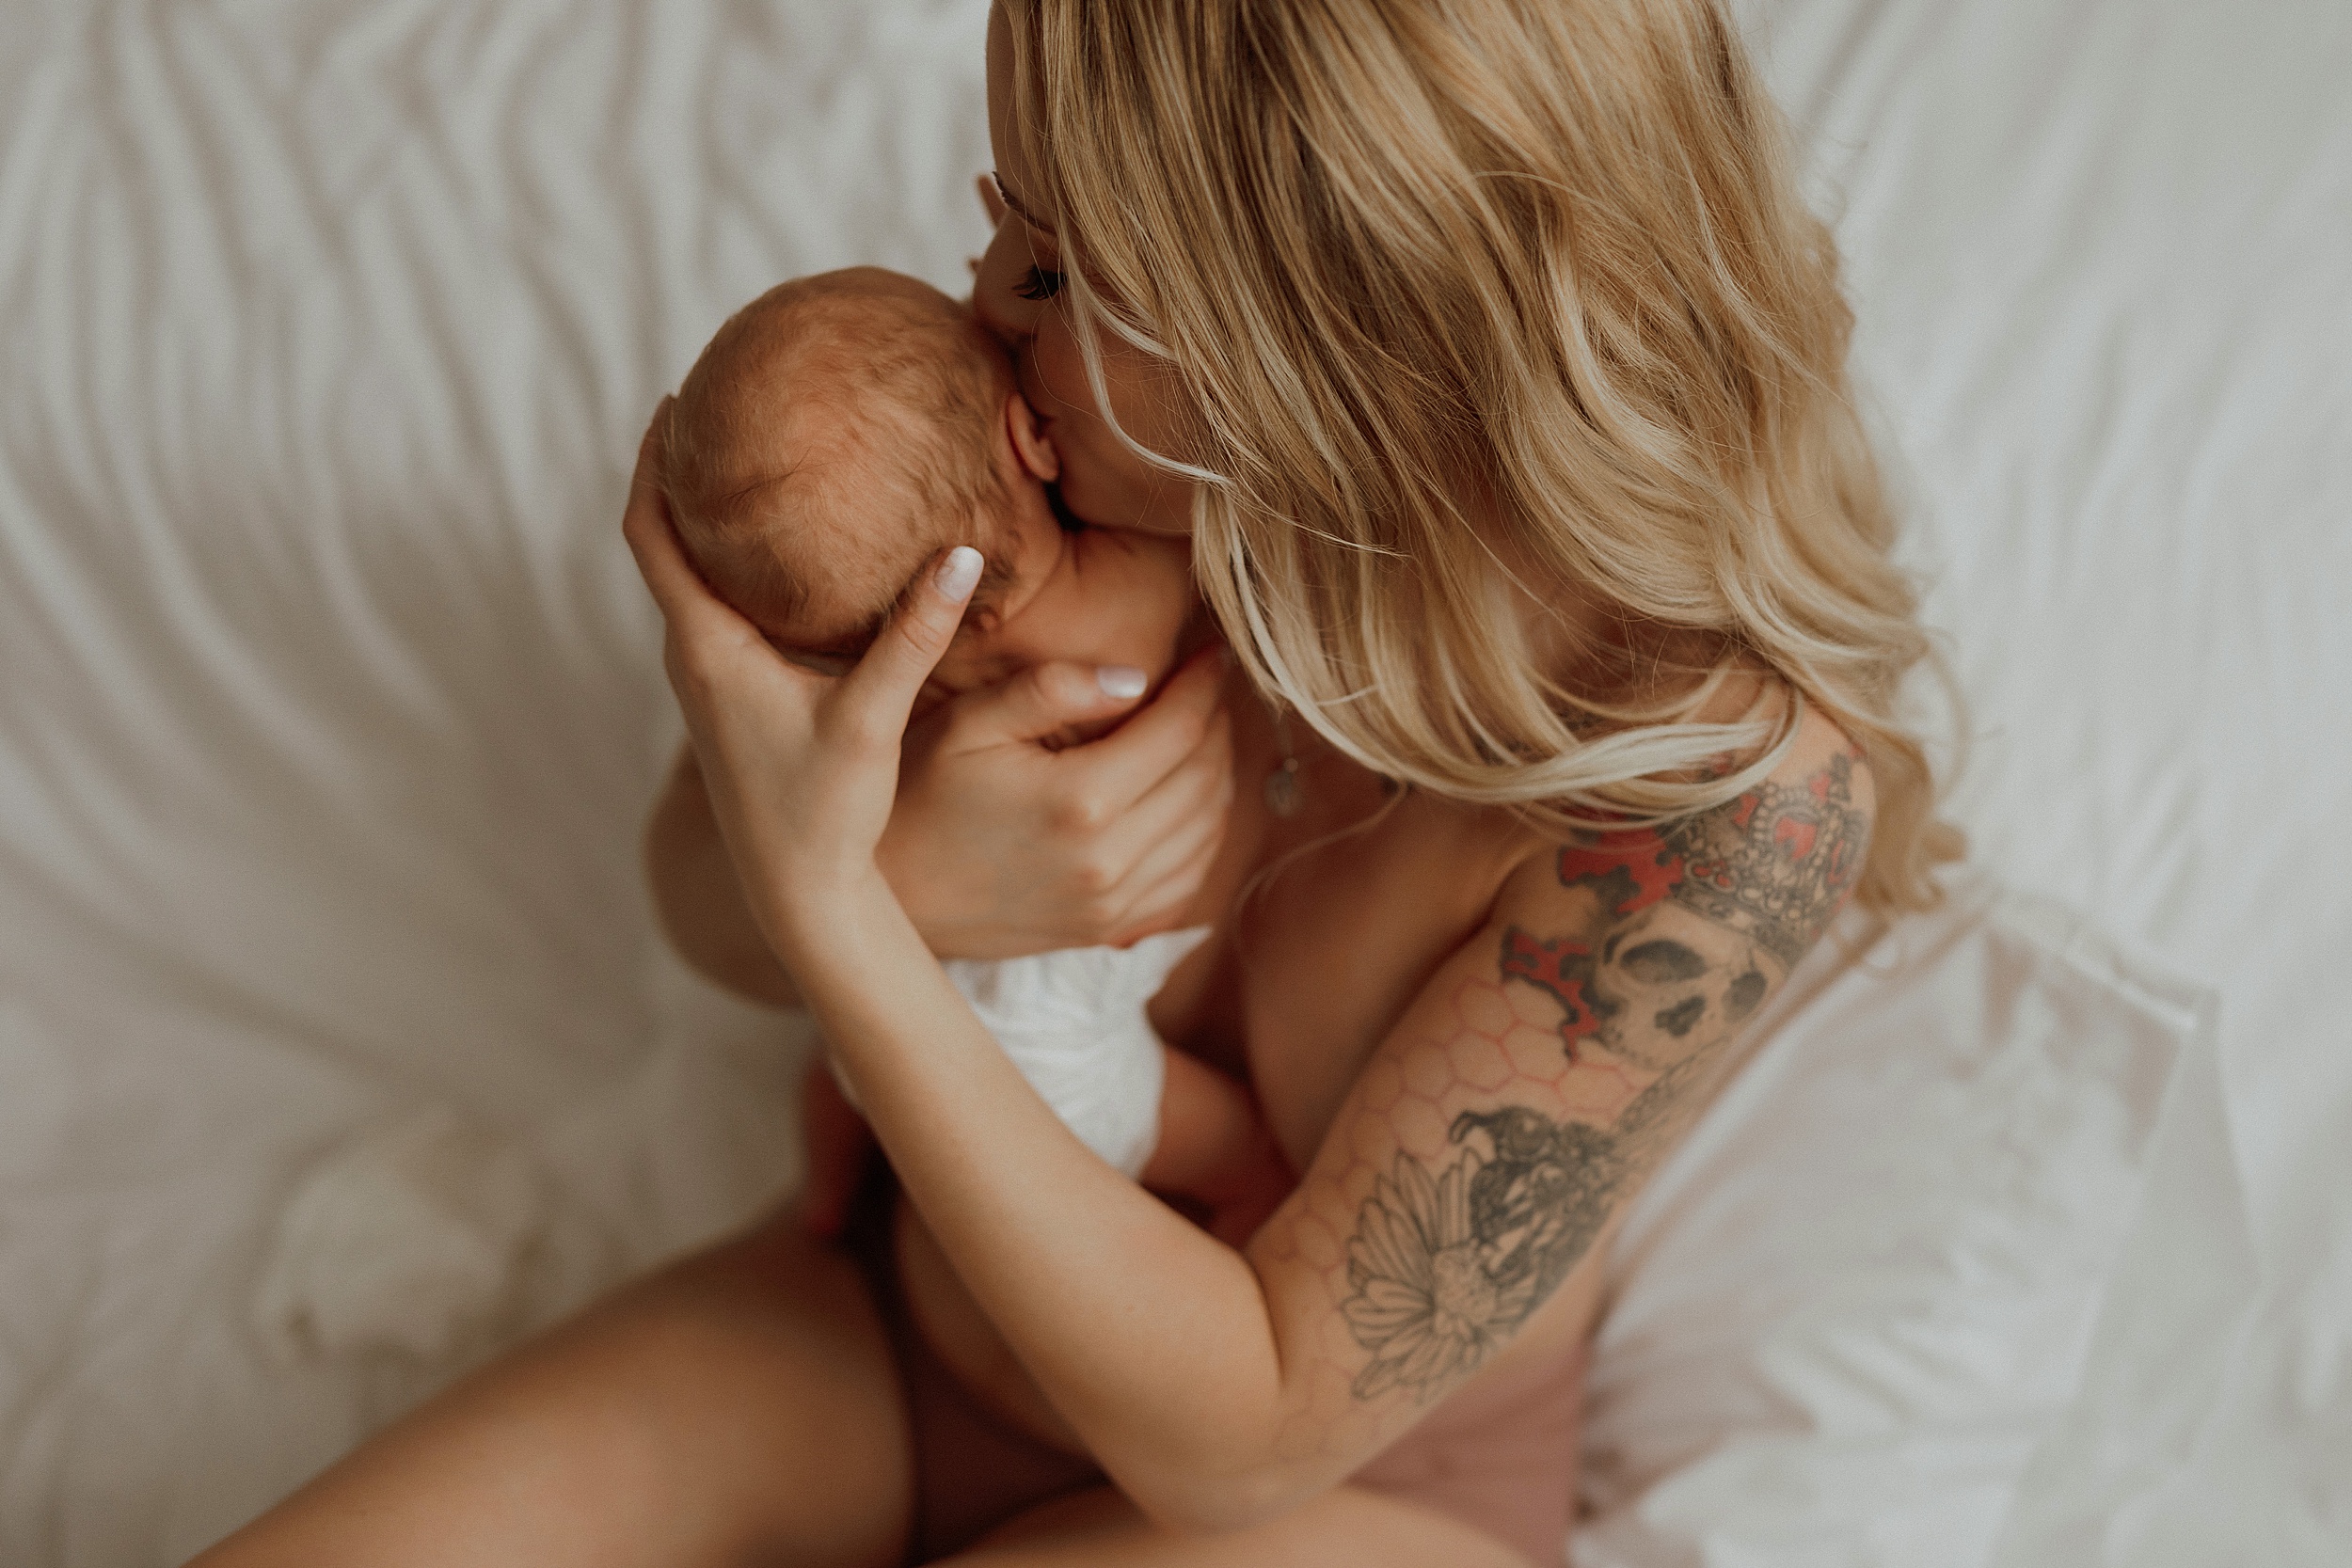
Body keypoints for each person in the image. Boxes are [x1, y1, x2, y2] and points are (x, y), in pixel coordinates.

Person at [189, 2, 1956, 1565]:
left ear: (1326, 345)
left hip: (1335, 1512)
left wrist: (851, 923)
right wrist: (888, 865)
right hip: (876, 1348)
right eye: (1004, 230)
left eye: (1051, 268)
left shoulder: (1724, 808)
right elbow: (697, 914)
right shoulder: (1074, 500)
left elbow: (1239, 1444)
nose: (983, 316)